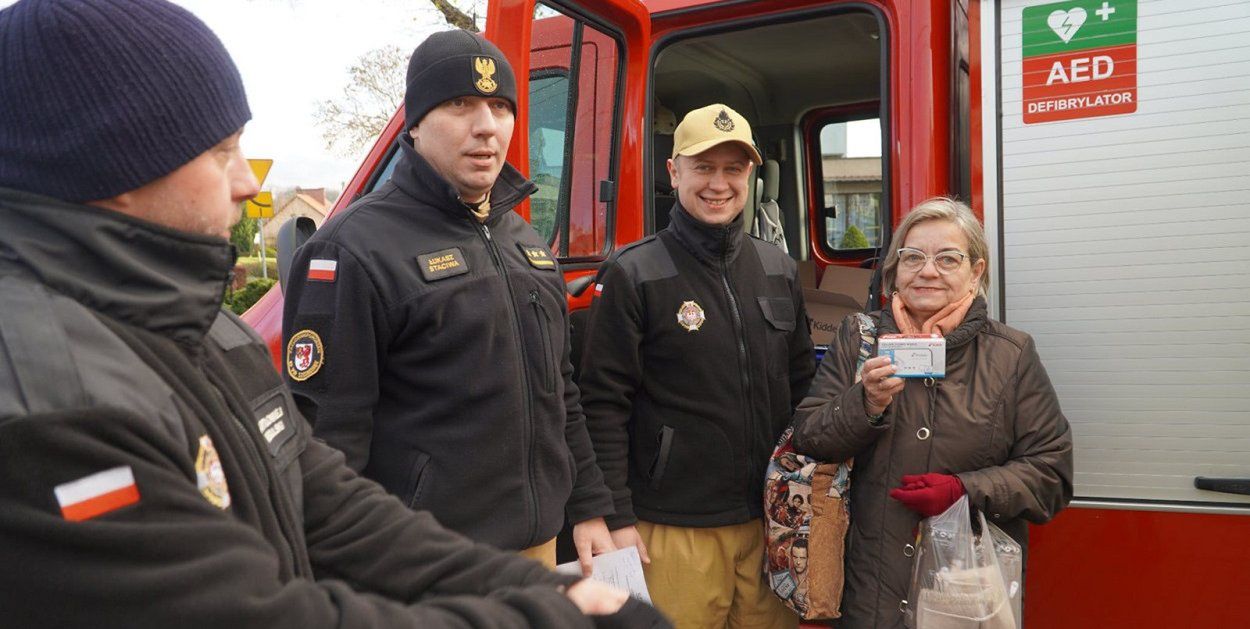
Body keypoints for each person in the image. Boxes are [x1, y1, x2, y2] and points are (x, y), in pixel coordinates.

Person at [0, 2, 670, 627]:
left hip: (495, 552)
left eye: (500, 107)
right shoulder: (44, 395)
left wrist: (549, 590)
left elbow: (319, 494)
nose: (249, 183)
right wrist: (547, 616)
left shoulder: (210, 331)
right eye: (222, 150)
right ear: (117, 162)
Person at [281, 29, 616, 573]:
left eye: (500, 107)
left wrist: (590, 505)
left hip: (538, 552)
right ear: (415, 123)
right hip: (426, 565)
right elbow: (326, 446)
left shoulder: (526, 242)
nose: (486, 126)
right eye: (460, 104)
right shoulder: (352, 248)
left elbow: (560, 392)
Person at [578, 104, 815, 628]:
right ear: (674, 171)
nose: (718, 184)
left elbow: (803, 387)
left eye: (733, 169)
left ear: (750, 176)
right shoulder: (634, 273)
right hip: (672, 529)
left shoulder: (777, 268)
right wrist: (614, 514)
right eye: (703, 167)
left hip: (770, 523)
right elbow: (601, 405)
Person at [790, 197, 1073, 629]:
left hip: (964, 594)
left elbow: (1051, 475)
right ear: (895, 269)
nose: (927, 271)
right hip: (870, 594)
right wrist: (865, 404)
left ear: (975, 271)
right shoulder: (858, 337)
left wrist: (964, 490)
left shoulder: (1011, 354)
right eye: (913, 257)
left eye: (947, 258)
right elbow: (808, 437)